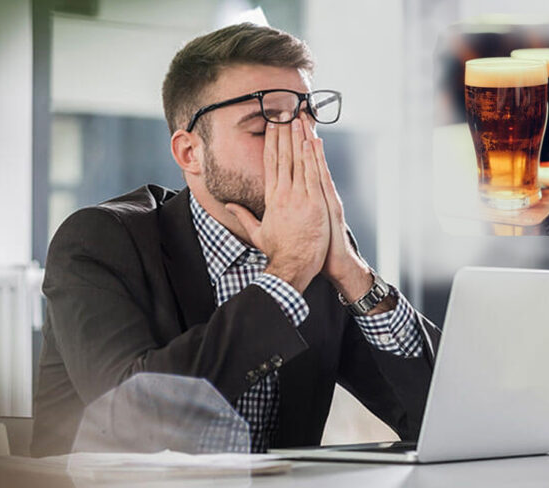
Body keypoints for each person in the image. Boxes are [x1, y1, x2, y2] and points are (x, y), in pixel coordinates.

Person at [31, 22, 441, 457]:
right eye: (264, 128)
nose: (299, 145)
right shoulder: (98, 241)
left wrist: (355, 277)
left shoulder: (318, 251)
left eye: (307, 121)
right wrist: (285, 278)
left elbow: (438, 415)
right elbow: (135, 419)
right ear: (190, 152)